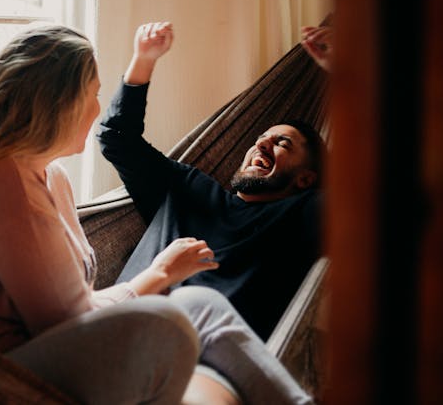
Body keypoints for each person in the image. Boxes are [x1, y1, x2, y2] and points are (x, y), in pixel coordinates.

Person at [0, 25, 314, 404]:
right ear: (58, 104)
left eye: (282, 144)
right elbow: (63, 319)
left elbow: (68, 311)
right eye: (93, 95)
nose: (97, 109)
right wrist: (159, 275)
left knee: (196, 302)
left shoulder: (52, 179)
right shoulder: (1, 179)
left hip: (64, 341)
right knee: (169, 321)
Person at [99, 21, 330, 342]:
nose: (262, 144)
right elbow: (117, 137)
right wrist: (144, 59)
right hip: (117, 332)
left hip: (205, 362)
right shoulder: (187, 188)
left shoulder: (303, 216)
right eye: (261, 137)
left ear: (306, 179)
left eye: (282, 143)